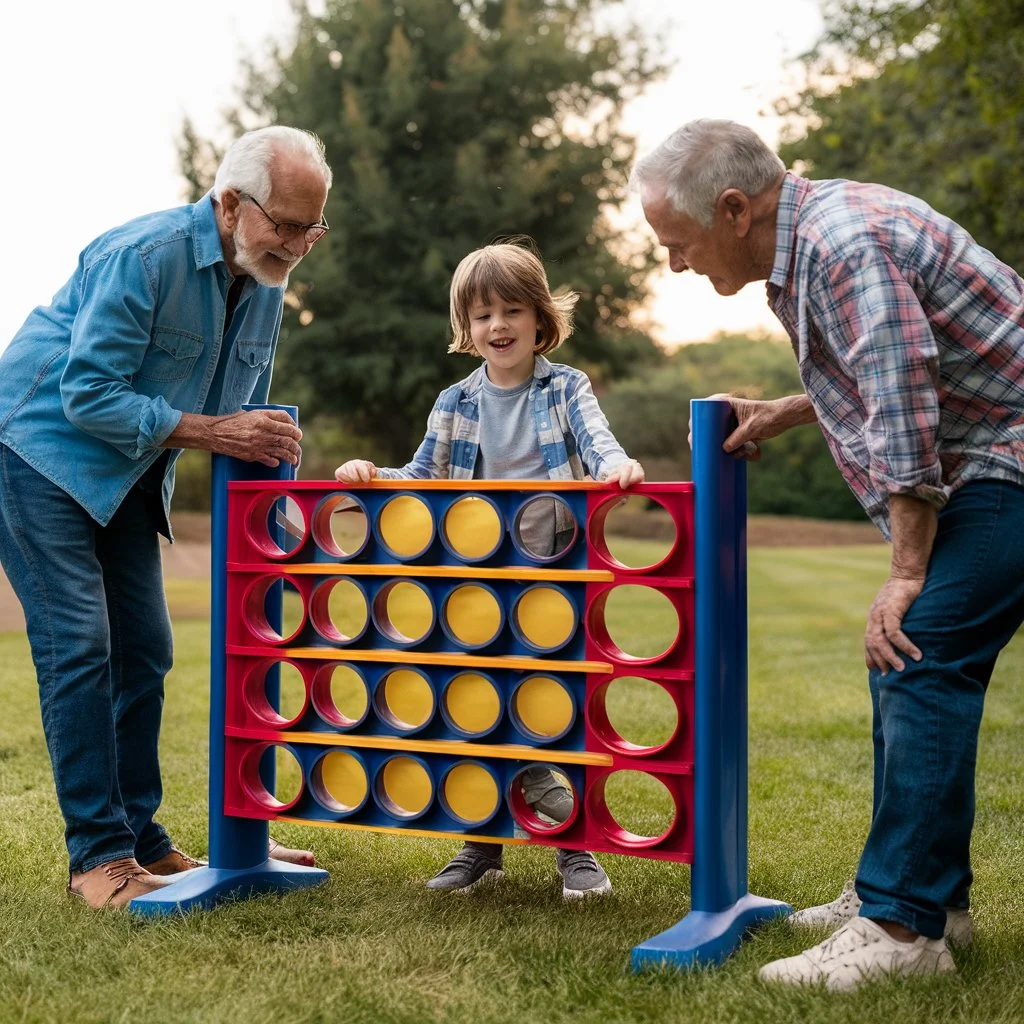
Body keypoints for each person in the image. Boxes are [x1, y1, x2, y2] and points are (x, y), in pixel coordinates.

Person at [632, 118, 1024, 990]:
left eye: (678, 243)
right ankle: (932, 901)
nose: (675, 265)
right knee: (906, 660)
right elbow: (888, 357)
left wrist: (906, 573)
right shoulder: (816, 240)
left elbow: (905, 398)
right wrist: (787, 406)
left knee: (917, 646)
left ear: (733, 209)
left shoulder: (845, 245)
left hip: (1009, 457)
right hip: (989, 451)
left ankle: (901, 933)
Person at [0, 126, 334, 908]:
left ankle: (145, 840)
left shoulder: (269, 280)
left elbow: (239, 414)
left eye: (310, 228)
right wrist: (213, 432)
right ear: (227, 203)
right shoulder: (142, 257)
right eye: (282, 224)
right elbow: (86, 394)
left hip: (126, 474)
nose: (295, 244)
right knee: (80, 644)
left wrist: (269, 492)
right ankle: (100, 858)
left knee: (145, 650)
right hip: (36, 451)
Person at [335, 240, 644, 898]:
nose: (497, 325)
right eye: (481, 315)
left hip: (551, 571)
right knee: (474, 706)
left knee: (550, 708)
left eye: (511, 310)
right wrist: (372, 477)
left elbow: (596, 441)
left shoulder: (566, 388)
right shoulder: (454, 402)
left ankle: (575, 851)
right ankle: (481, 845)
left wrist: (616, 466)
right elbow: (422, 478)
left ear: (539, 319)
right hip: (474, 580)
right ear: (466, 330)